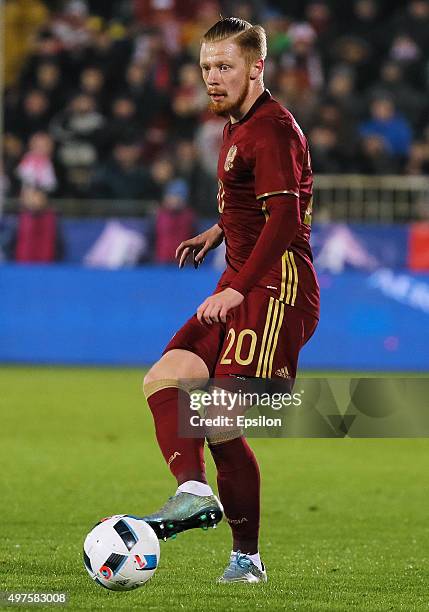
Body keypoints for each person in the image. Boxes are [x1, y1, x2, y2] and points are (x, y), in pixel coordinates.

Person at [142, 17, 320, 584]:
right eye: (206, 68)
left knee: (217, 414)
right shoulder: (237, 124)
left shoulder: (270, 129)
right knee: (166, 377)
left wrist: (239, 287)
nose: (213, 79)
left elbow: (287, 217)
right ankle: (194, 491)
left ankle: (246, 559)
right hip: (242, 277)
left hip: (276, 286)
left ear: (256, 68)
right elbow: (252, 203)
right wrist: (218, 231)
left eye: (225, 67)